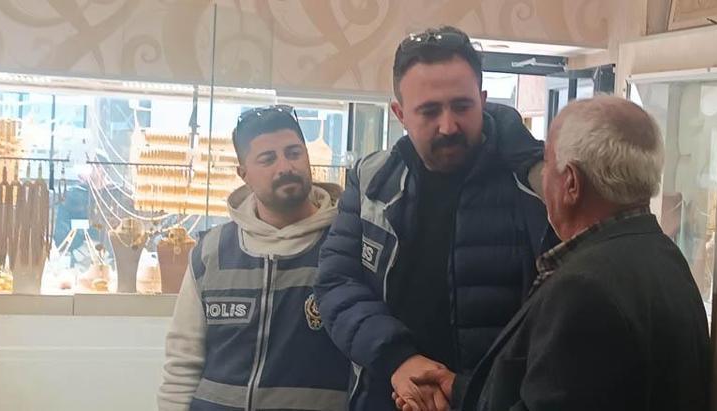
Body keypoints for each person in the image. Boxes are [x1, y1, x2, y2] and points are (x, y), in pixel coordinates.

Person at [415, 96, 710, 411]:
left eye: (546, 163)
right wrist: (458, 390)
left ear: (571, 183)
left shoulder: (585, 290)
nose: (542, 177)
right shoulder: (663, 254)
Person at [314, 26, 552, 411]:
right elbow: (336, 283)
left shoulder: (533, 186)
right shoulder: (372, 181)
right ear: (400, 114)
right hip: (388, 394)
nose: (448, 126)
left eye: (462, 106)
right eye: (429, 111)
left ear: (483, 101)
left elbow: (556, 315)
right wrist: (399, 359)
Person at [158, 105, 349, 411]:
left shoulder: (346, 245)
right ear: (243, 174)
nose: (285, 166)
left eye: (294, 153)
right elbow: (182, 366)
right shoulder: (211, 253)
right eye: (268, 159)